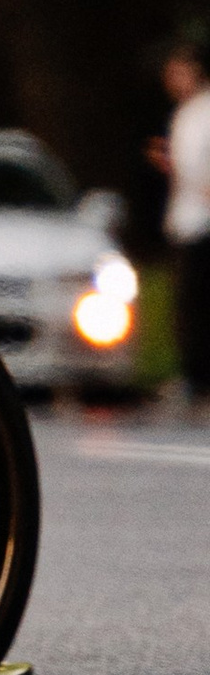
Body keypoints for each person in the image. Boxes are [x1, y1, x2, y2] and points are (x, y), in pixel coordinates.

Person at [146, 38, 210, 408]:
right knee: (186, 304)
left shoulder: (204, 112)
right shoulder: (183, 114)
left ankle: (198, 375)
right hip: (185, 221)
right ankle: (192, 373)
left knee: (197, 302)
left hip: (203, 223)